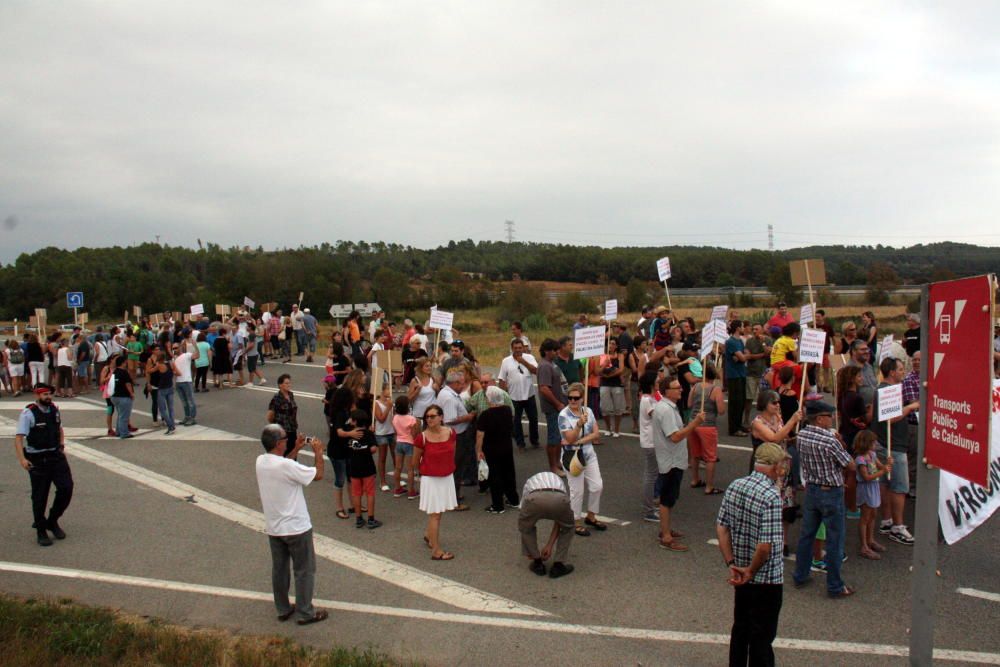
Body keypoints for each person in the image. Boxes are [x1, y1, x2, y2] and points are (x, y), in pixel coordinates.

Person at [715, 442, 788, 667]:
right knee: (762, 637)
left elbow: (722, 528)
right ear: (775, 467)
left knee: (741, 629)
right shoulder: (772, 496)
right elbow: (765, 547)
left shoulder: (736, 485)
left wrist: (732, 563)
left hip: (740, 571)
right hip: (765, 578)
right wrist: (751, 570)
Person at [255, 424, 328, 625]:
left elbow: (283, 463)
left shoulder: (261, 461)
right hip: (296, 526)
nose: (288, 440)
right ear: (279, 443)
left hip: (274, 526)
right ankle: (306, 612)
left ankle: (283, 608)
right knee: (304, 570)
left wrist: (296, 449)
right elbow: (318, 474)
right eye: (286, 439)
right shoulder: (287, 467)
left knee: (279, 569)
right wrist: (319, 453)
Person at [792, 400, 856, 598]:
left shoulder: (801, 435)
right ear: (820, 419)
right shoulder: (830, 441)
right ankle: (835, 585)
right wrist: (840, 442)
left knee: (807, 535)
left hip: (812, 489)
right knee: (835, 539)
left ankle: (800, 574)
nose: (832, 419)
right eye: (829, 416)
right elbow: (850, 464)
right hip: (831, 491)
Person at [14, 383, 74, 546]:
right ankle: (41, 530)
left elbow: (59, 428)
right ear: (37, 395)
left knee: (66, 488)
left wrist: (61, 445)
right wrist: (22, 459)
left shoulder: (54, 409)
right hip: (37, 458)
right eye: (45, 394)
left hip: (55, 455)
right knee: (40, 496)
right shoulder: (29, 413)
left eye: (50, 394)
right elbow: (19, 438)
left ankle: (52, 520)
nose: (48, 397)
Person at [651, 376, 706, 552]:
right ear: (667, 391)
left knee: (670, 497)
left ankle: (666, 529)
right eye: (677, 388)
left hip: (673, 459)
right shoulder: (666, 410)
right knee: (667, 498)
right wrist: (695, 423)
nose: (681, 390)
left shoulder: (667, 407)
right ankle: (666, 537)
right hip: (670, 460)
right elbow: (674, 437)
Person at [870, 356, 919, 546]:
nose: (903, 372)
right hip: (893, 445)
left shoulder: (882, 390)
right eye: (900, 369)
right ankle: (898, 526)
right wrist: (910, 408)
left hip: (884, 443)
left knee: (884, 483)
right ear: (891, 372)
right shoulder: (887, 391)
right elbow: (889, 419)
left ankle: (887, 520)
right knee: (899, 487)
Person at [559, 382, 606, 537]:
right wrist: (579, 425)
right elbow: (570, 438)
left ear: (582, 398)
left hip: (588, 454)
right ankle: (576, 521)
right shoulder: (563, 416)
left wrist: (579, 441)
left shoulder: (588, 411)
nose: (572, 401)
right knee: (577, 491)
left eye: (576, 398)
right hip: (572, 458)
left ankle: (591, 516)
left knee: (597, 486)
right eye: (569, 398)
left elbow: (596, 433)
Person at [413, 405, 458, 560]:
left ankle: (428, 535)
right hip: (431, 479)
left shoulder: (451, 433)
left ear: (441, 417)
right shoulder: (422, 437)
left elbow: (453, 453)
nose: (429, 419)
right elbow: (414, 461)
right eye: (427, 417)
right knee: (436, 515)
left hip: (446, 477)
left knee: (438, 512)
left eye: (432, 416)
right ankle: (437, 551)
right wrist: (425, 471)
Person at [519, 471, 575, 579]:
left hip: (535, 498)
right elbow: (559, 522)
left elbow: (523, 512)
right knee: (568, 527)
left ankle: (537, 562)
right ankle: (558, 565)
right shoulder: (559, 482)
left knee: (526, 526)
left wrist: (529, 549)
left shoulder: (529, 482)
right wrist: (549, 545)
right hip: (559, 498)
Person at [476, 386, 519, 514]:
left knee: (495, 476)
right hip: (506, 447)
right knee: (509, 473)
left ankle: (497, 505)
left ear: (489, 399)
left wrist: (479, 450)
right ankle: (513, 499)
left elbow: (480, 435)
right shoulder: (507, 410)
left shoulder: (485, 415)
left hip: (491, 449)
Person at [438, 369, 476, 508]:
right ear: (454, 383)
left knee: (455, 467)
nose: (463, 386)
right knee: (456, 467)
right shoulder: (449, 397)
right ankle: (454, 500)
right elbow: (450, 419)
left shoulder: (447, 393)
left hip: (454, 435)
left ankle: (453, 494)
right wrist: (467, 417)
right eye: (461, 383)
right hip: (456, 436)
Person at [687, 364, 725, 495]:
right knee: (710, 457)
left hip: (693, 422)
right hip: (707, 425)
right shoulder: (716, 389)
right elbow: (721, 411)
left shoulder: (695, 386)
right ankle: (709, 486)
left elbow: (689, 404)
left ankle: (695, 479)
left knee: (695, 453)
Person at [853, 431, 891, 560]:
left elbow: (882, 467)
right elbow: (866, 477)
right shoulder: (860, 459)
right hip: (866, 489)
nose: (875, 444)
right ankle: (864, 545)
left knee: (873, 515)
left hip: (873, 487)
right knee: (865, 517)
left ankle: (870, 540)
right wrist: (883, 471)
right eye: (872, 442)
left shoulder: (872, 455)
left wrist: (888, 464)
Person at [497, 339, 539, 450]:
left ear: (523, 348)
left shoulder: (529, 358)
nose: (518, 350)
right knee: (516, 421)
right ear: (512, 349)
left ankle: (534, 441)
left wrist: (523, 361)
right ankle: (520, 443)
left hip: (529, 394)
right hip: (514, 396)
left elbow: (536, 371)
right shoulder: (506, 361)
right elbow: (502, 379)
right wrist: (503, 395)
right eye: (515, 348)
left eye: (520, 348)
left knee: (533, 419)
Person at [345, 408, 382, 529]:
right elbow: (374, 449)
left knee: (356, 493)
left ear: (355, 422)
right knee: (370, 493)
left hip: (354, 468)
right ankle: (371, 519)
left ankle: (359, 518)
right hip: (367, 467)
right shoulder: (369, 434)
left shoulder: (350, 434)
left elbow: (348, 447)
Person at [537, 338, 568, 475]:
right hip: (554, 408)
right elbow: (544, 388)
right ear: (546, 351)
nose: (557, 352)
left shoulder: (551, 363)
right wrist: (558, 403)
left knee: (559, 437)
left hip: (560, 406)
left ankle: (558, 462)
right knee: (553, 438)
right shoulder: (545, 366)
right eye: (554, 350)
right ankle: (553, 467)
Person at [637, 371, 660, 523]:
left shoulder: (652, 397)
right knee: (650, 476)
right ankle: (648, 510)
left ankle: (650, 506)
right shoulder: (646, 400)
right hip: (650, 442)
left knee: (654, 474)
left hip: (655, 441)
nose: (659, 382)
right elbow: (658, 416)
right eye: (657, 380)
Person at [391, 396, 419, 499]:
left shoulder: (395, 417)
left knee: (398, 467)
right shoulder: (411, 419)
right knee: (410, 469)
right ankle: (411, 491)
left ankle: (397, 488)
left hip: (399, 442)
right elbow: (414, 432)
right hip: (409, 443)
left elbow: (395, 430)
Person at [724, 320, 749, 437]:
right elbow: (743, 357)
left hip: (741, 373)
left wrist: (742, 356)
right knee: (735, 403)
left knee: (742, 401)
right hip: (734, 375)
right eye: (743, 326)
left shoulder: (740, 341)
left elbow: (742, 355)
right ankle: (733, 428)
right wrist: (743, 356)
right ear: (738, 328)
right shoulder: (731, 342)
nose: (744, 328)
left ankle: (739, 425)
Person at [598, 338, 626, 437]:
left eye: (613, 344)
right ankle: (608, 428)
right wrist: (604, 365)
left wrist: (610, 375)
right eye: (609, 343)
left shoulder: (620, 355)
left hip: (616, 383)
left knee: (618, 407)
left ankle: (617, 429)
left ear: (617, 346)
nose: (611, 345)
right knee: (604, 408)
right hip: (604, 383)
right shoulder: (602, 356)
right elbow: (598, 371)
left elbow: (621, 369)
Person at [267, 374, 299, 459]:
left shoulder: (291, 395)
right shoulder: (277, 398)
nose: (289, 385)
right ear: (280, 385)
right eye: (286, 383)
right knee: (284, 454)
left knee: (293, 452)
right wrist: (277, 427)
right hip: (283, 432)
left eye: (289, 383)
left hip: (292, 429)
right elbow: (270, 416)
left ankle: (293, 470)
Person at [372, 383, 396, 492]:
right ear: (382, 391)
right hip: (381, 433)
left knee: (396, 456)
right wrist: (388, 407)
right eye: (388, 389)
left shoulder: (390, 402)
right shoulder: (376, 403)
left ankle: (397, 478)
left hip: (392, 432)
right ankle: (382, 482)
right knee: (382, 458)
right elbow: (381, 419)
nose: (390, 391)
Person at [110, 355, 135, 439]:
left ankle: (118, 431)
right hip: (124, 396)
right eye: (125, 362)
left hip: (115, 396)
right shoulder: (124, 372)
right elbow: (127, 384)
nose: (126, 363)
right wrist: (131, 393)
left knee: (120, 414)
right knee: (124, 416)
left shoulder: (115, 371)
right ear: (123, 363)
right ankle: (124, 433)